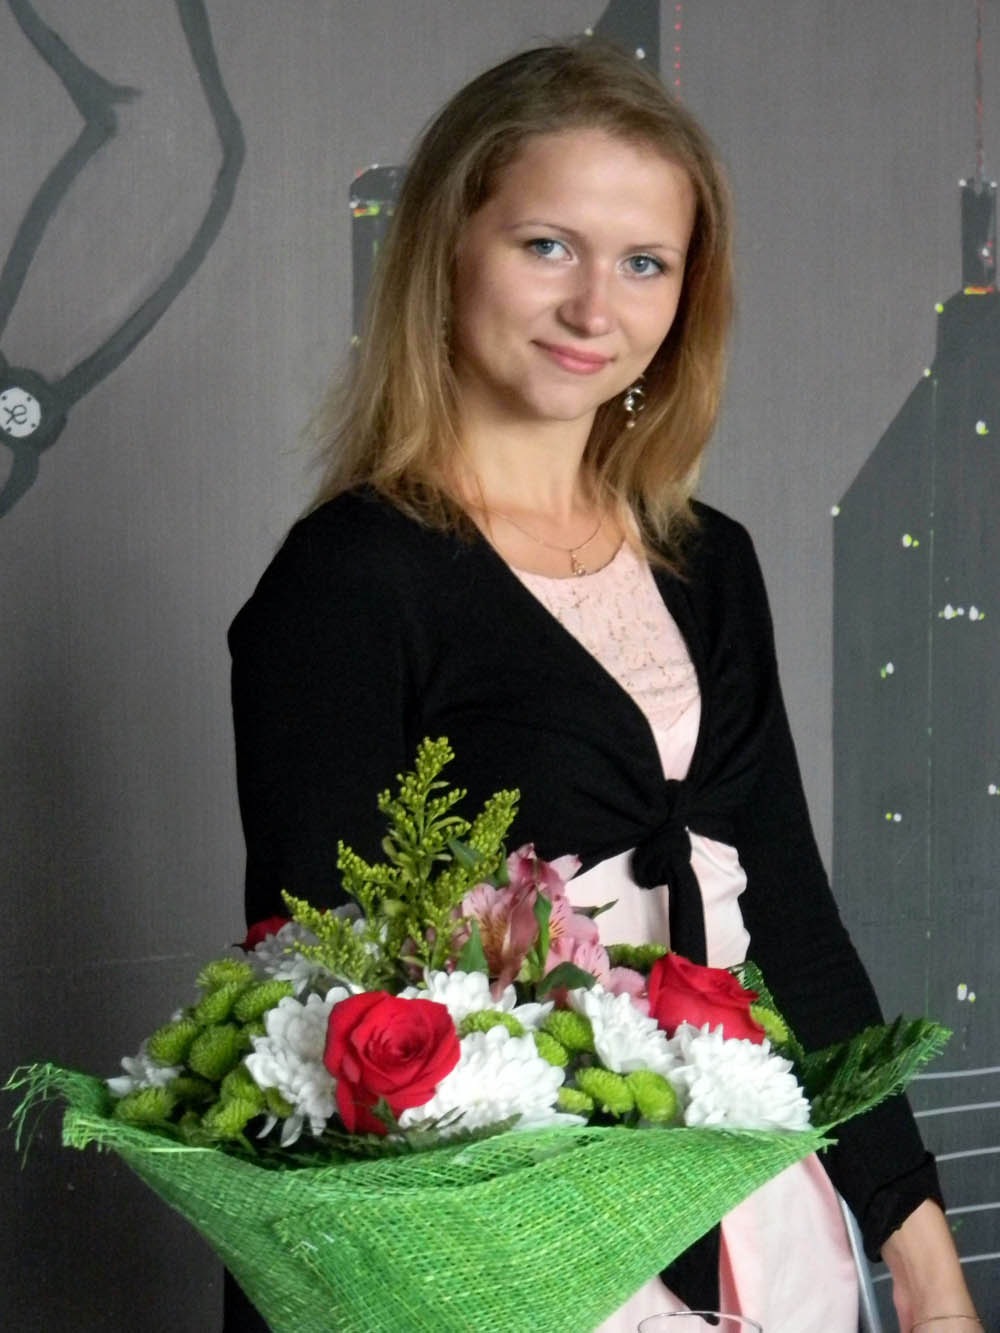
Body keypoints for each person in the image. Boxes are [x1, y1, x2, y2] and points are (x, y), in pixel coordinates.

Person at [228, 41, 980, 1333]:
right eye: (547, 246)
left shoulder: (709, 562)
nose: (595, 308)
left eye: (645, 263)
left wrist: (927, 1272)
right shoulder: (351, 579)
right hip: (507, 1251)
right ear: (447, 249)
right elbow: (321, 988)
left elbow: (794, 924)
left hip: (757, 1211)